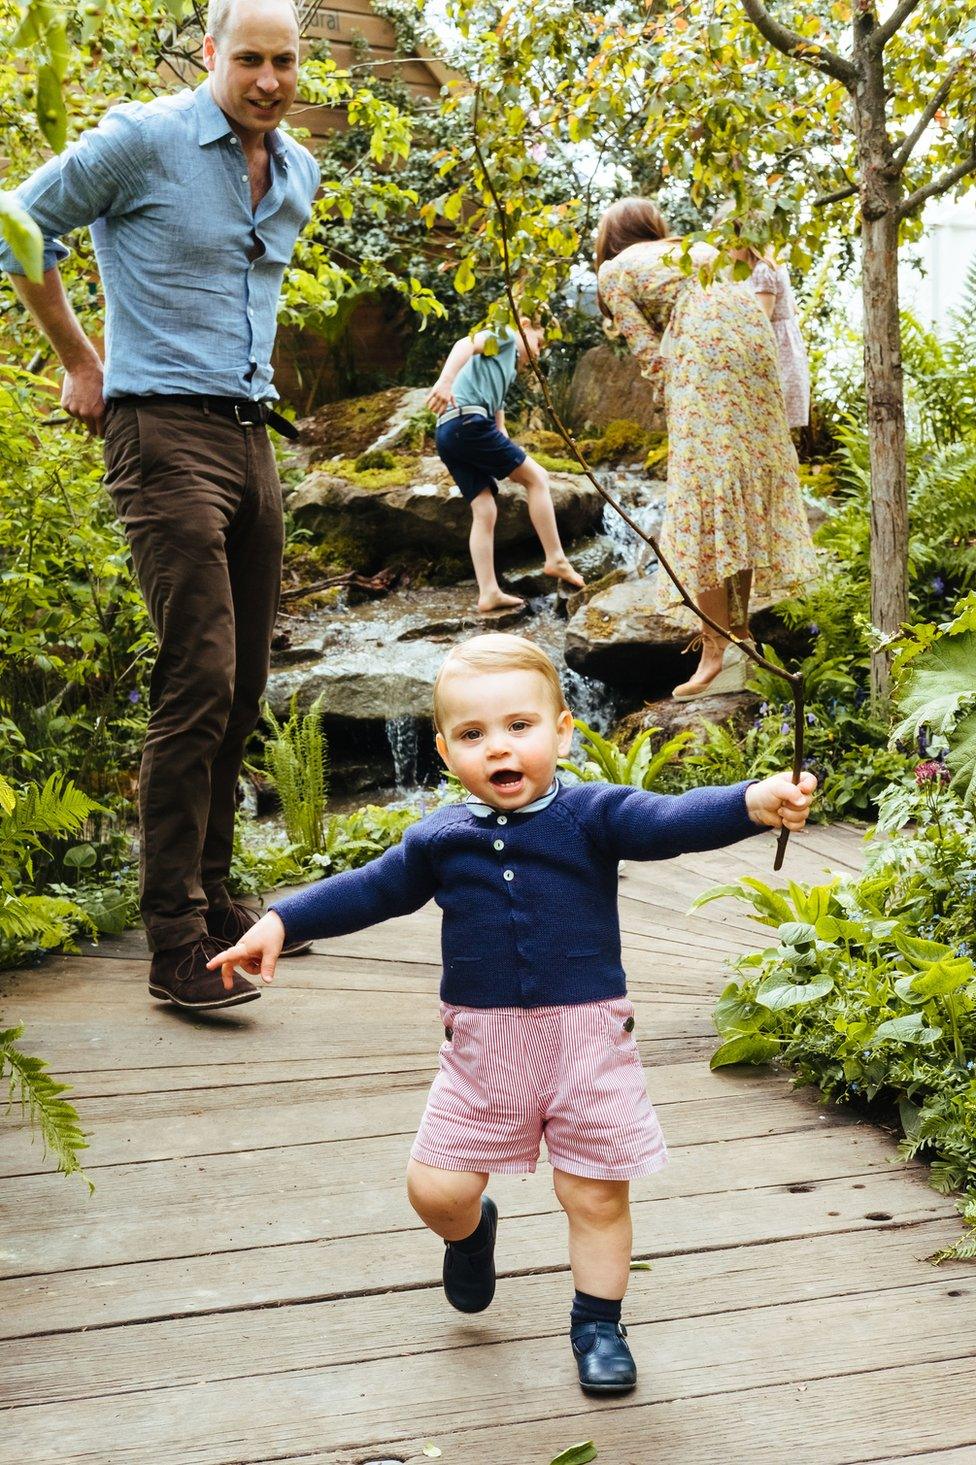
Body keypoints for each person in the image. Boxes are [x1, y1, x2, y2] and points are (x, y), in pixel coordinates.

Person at [207, 632, 817, 1394]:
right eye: (473, 733)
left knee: (593, 1192)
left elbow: (668, 821)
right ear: (444, 749)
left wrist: (750, 801)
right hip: (481, 1052)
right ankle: (471, 1234)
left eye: (519, 726)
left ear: (562, 730)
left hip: (587, 1042)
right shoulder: (439, 840)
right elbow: (369, 888)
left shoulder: (594, 814)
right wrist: (282, 921)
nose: (499, 746)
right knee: (438, 1190)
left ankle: (598, 1320)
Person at [0, 0, 321, 1011]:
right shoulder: (142, 141)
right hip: (159, 431)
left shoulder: (298, 172)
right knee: (200, 673)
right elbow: (17, 222)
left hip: (250, 435)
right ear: (209, 53)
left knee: (246, 679)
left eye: (285, 61)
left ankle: (217, 896)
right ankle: (174, 941)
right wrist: (79, 358)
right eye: (249, 60)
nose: (268, 80)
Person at [595, 198, 818, 701]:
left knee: (704, 505)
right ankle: (741, 640)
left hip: (703, 348)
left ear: (610, 238)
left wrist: (675, 394)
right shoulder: (689, 248)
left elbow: (646, 349)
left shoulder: (614, 268)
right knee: (735, 496)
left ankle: (715, 655)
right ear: (654, 226)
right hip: (751, 339)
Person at [426, 320, 584, 613]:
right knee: (537, 478)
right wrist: (445, 381)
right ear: (524, 325)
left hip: (448, 432)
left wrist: (500, 429)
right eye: (539, 342)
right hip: (467, 421)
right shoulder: (506, 336)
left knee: (484, 508)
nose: (538, 352)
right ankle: (555, 558)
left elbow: (494, 401)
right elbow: (465, 343)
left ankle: (488, 592)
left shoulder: (507, 364)